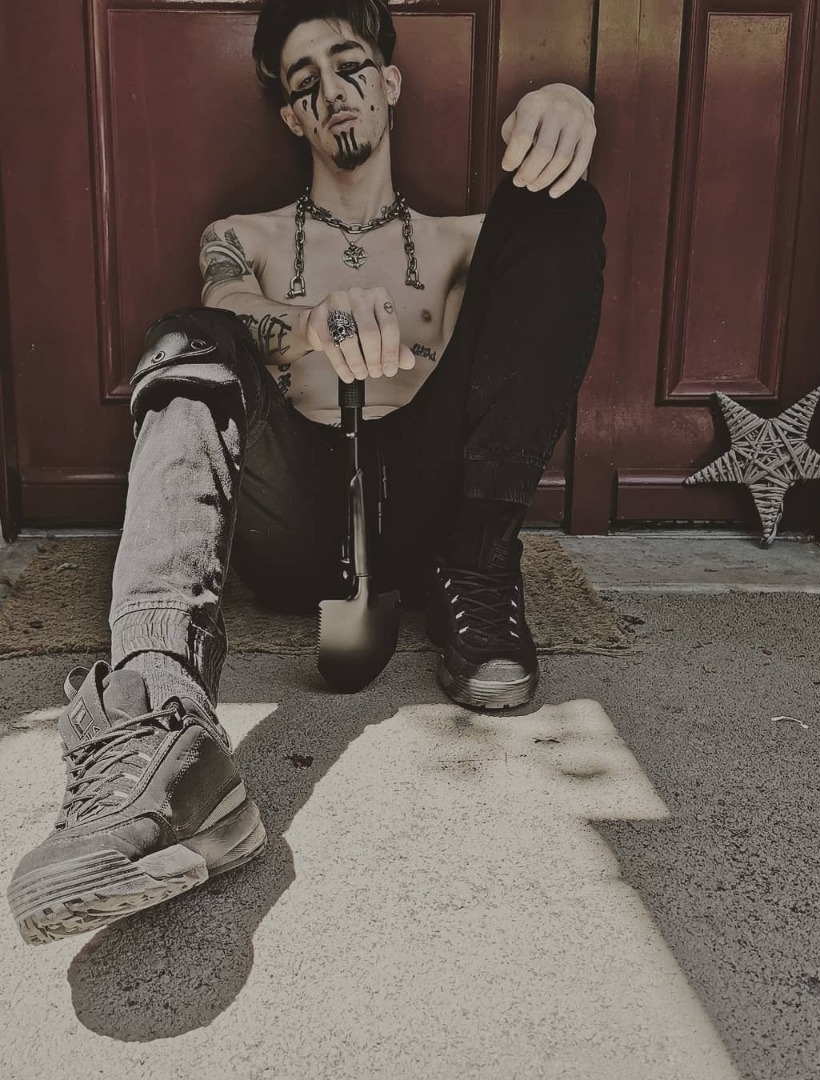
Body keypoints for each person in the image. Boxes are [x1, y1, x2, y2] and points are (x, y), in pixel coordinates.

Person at [6, 0, 606, 944]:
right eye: (305, 82)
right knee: (189, 334)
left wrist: (567, 102)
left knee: (561, 208)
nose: (334, 91)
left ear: (391, 81)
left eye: (351, 64)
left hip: (431, 511)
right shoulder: (242, 235)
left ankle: (483, 566)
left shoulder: (459, 241)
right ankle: (158, 710)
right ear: (292, 114)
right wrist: (313, 325)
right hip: (291, 519)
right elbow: (226, 304)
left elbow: (536, 286)